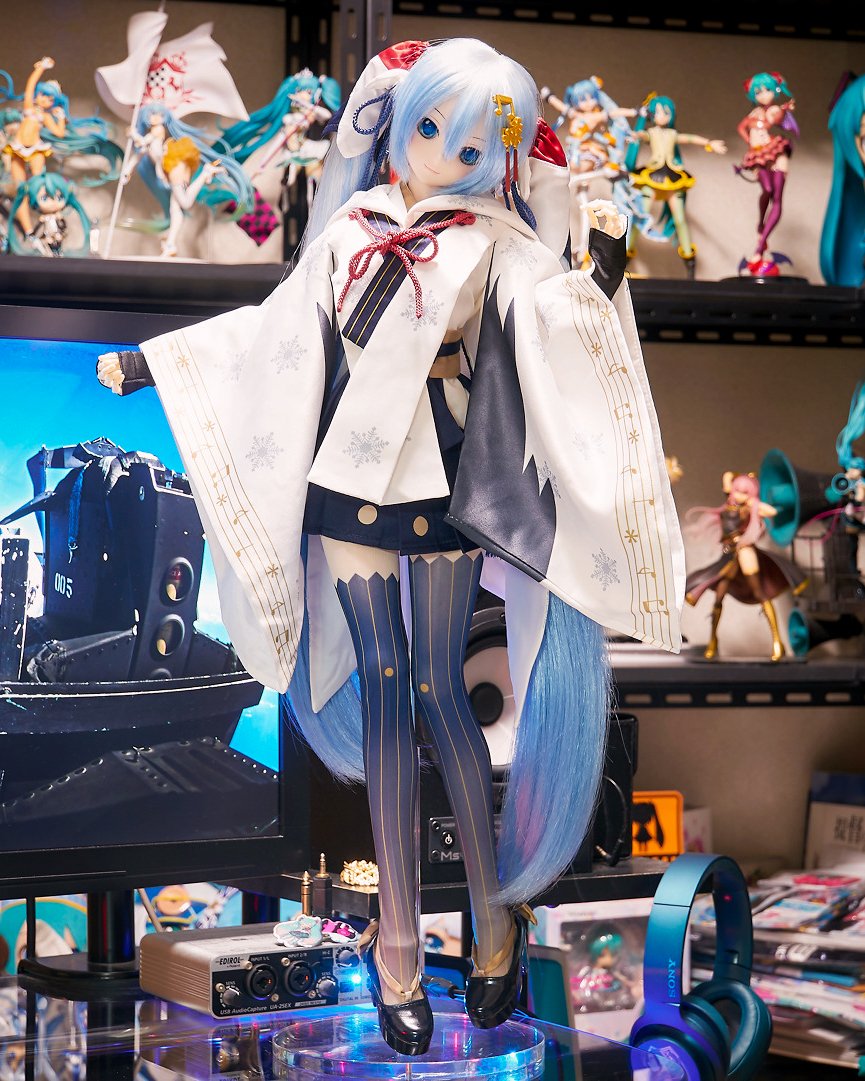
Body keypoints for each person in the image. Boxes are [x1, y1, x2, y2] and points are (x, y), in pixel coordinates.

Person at [97, 37, 684, 1057]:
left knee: (439, 689)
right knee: (380, 685)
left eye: (473, 146)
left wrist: (597, 267)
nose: (445, 156)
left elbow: (558, 320)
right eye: (430, 130)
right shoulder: (351, 232)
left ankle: (491, 915)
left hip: (442, 476)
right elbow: (273, 334)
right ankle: (399, 942)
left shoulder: (496, 241)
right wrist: (156, 364)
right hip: (350, 486)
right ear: (399, 124)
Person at [685, 471, 806, 661]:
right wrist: (740, 478)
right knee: (718, 597)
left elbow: (772, 512)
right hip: (728, 554)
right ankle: (713, 641)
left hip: (744, 550)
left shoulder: (750, 507)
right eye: (738, 491)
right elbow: (726, 477)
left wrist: (754, 503)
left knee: (759, 592)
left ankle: (777, 641)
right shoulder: (729, 503)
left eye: (745, 492)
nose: (740, 495)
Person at [625, 93, 727, 277]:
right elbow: (642, 134)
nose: (663, 116)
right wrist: (634, 134)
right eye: (658, 112)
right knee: (640, 218)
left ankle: (690, 262)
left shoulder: (672, 134)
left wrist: (709, 143)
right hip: (652, 177)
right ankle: (624, 257)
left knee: (680, 220)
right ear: (652, 115)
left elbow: (689, 138)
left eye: (666, 112)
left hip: (672, 178)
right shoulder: (652, 133)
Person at [735, 72, 798, 277]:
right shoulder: (754, 113)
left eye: (767, 90)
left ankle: (760, 247)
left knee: (777, 197)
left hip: (775, 152)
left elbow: (777, 119)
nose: (763, 94)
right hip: (758, 154)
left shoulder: (774, 110)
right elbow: (741, 127)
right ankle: (761, 223)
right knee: (767, 189)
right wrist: (750, 142)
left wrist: (783, 110)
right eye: (758, 92)